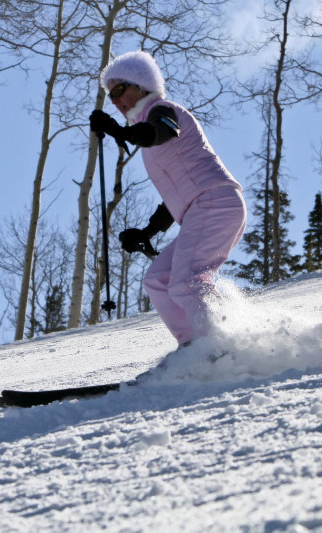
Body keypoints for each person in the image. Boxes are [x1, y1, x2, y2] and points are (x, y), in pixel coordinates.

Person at [90, 50, 246, 349]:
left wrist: (117, 131)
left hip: (216, 202)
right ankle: (194, 347)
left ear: (141, 85)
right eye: (111, 96)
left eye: (120, 90)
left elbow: (159, 132)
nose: (116, 101)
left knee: (187, 281)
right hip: (205, 207)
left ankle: (218, 346)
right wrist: (148, 232)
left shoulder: (163, 110)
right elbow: (175, 196)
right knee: (158, 279)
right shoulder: (148, 137)